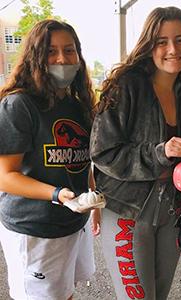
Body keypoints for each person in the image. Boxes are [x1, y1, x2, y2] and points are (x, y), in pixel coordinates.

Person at [89, 6, 181, 300]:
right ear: (149, 44)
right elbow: (103, 152)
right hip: (127, 211)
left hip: (171, 211)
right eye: (162, 41)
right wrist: (160, 152)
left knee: (157, 295)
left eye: (180, 39)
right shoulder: (127, 86)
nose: (172, 49)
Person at [0, 20, 99, 300]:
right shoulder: (19, 105)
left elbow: (81, 161)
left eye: (69, 51)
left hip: (72, 223)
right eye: (51, 51)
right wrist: (56, 194)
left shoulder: (78, 104)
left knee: (64, 292)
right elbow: (5, 176)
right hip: (35, 230)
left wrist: (94, 199)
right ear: (35, 56)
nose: (61, 59)